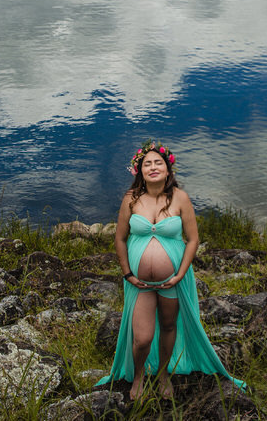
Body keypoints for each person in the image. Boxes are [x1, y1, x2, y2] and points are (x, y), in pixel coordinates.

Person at [96, 140, 246, 400]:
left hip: (173, 281)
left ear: (168, 168)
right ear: (139, 170)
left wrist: (180, 274)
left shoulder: (180, 198)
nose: (153, 167)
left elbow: (193, 239)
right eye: (147, 164)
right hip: (139, 283)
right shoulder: (131, 200)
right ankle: (139, 375)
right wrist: (128, 274)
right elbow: (120, 238)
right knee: (141, 338)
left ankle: (164, 374)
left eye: (158, 162)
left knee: (168, 326)